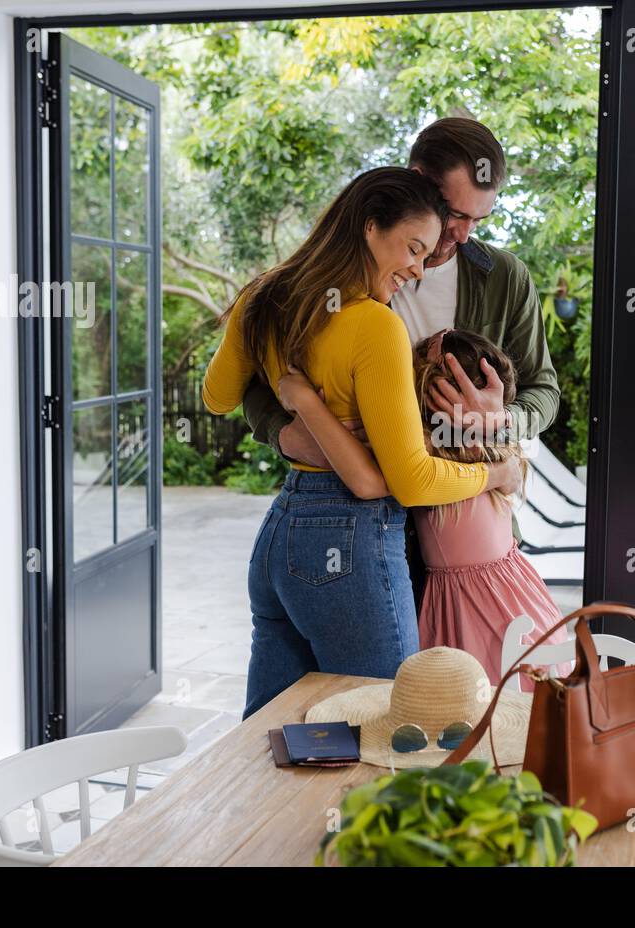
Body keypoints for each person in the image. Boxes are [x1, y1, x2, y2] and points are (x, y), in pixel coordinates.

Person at [201, 167, 523, 720]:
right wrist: (495, 474)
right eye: (413, 249)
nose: (417, 269)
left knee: (271, 732)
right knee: (390, 724)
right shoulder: (375, 325)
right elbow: (410, 482)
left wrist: (297, 402)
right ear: (370, 226)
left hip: (283, 530)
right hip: (350, 539)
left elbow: (217, 396)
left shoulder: (263, 298)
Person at [241, 118, 561, 609]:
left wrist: (500, 419)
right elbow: (257, 377)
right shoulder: (336, 278)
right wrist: (282, 433)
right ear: (418, 180)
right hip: (363, 525)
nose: (463, 234)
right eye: (455, 214)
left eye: (478, 220)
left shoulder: (505, 278)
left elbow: (545, 390)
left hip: (468, 536)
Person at [277, 329, 570, 689]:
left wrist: (306, 400)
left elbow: (363, 469)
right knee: (491, 699)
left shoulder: (441, 451)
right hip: (497, 593)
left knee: (480, 697)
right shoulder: (470, 449)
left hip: (485, 604)